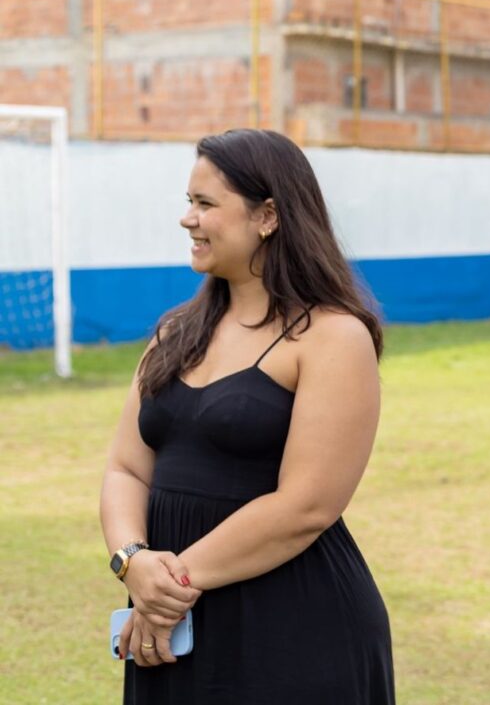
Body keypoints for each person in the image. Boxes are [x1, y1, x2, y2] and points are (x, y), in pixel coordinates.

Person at [99, 129, 395, 704]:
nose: (187, 218)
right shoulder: (173, 333)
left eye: (205, 203)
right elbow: (125, 469)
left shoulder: (333, 336)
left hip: (290, 628)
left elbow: (306, 506)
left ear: (267, 216)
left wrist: (169, 584)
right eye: (188, 201)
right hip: (173, 623)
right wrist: (132, 562)